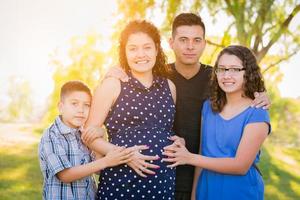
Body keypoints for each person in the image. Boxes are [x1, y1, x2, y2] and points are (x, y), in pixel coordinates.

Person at [105, 13, 271, 200]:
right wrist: (114, 72)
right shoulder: (158, 77)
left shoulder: (216, 78)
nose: (190, 46)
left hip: (202, 178)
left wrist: (262, 95)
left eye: (196, 40)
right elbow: (129, 85)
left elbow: (242, 94)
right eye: (183, 39)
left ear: (204, 44)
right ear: (171, 42)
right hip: (161, 175)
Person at [163, 45, 271, 200]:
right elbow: (202, 152)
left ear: (247, 73)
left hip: (240, 192)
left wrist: (188, 157)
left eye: (234, 69)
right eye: (222, 69)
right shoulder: (208, 107)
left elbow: (240, 166)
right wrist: (194, 195)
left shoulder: (257, 112)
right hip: (206, 190)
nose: (227, 75)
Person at [83, 20, 177, 199]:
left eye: (147, 47)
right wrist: (125, 155)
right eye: (133, 48)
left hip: (162, 184)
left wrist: (178, 142)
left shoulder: (169, 87)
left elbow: (167, 132)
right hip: (121, 183)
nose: (140, 54)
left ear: (157, 49)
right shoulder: (113, 84)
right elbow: (89, 135)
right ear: (124, 53)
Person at [38, 80, 133, 200]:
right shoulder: (52, 135)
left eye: (87, 105)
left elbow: (98, 169)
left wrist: (100, 135)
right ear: (61, 107)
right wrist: (107, 161)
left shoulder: (84, 133)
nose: (81, 110)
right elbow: (65, 175)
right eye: (74, 103)